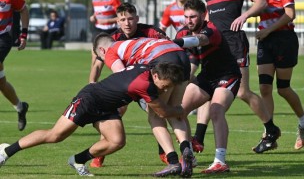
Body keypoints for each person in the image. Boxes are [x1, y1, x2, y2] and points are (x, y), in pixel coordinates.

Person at [0, 62, 186, 176]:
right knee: (55, 135)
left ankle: (78, 160)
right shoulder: (144, 84)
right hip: (88, 100)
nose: (165, 89)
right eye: (165, 85)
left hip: (107, 107)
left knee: (117, 141)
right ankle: (6, 151)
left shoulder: (148, 70)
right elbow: (162, 112)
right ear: (156, 75)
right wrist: (181, 109)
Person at [93, 33, 194, 177]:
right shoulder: (132, 43)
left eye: (101, 58)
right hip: (181, 55)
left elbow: (123, 77)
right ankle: (186, 148)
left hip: (162, 59)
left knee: (156, 114)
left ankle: (173, 161)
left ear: (102, 50)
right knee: (174, 110)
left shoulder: (110, 52)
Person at [191, 0, 281, 155]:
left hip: (235, 44)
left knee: (242, 92)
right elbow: (208, 17)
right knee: (208, 88)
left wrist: (244, 16)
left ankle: (271, 129)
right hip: (215, 46)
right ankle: (198, 138)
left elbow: (262, 3)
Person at [175, 0, 241, 173]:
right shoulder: (182, 33)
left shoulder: (210, 29)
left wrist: (178, 43)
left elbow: (201, 40)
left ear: (203, 15)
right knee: (179, 111)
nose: (189, 20)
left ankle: (220, 161)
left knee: (216, 110)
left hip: (227, 76)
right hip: (207, 77)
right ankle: (188, 154)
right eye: (186, 16)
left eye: (193, 17)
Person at [254, 0, 304, 150]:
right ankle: (269, 134)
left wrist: (268, 30)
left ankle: (303, 123)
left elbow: (290, 14)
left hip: (284, 39)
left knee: (283, 88)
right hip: (265, 40)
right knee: (264, 87)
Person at [89, 2, 167, 83]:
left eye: (130, 19)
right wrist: (91, 85)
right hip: (126, 81)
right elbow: (97, 65)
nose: (127, 24)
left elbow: (168, 49)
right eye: (123, 20)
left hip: (150, 78)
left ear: (137, 19)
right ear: (118, 21)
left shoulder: (151, 32)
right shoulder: (113, 39)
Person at [0, 0, 29, 131]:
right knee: (1, 83)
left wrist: (24, 34)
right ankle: (20, 107)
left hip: (3, 38)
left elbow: (23, 9)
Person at [90, 0, 121, 71]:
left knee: (114, 56)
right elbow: (96, 13)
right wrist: (92, 18)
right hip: (98, 30)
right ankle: (92, 81)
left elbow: (121, 16)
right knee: (95, 56)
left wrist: (107, 21)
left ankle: (119, 76)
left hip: (111, 31)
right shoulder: (94, 0)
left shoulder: (114, 0)